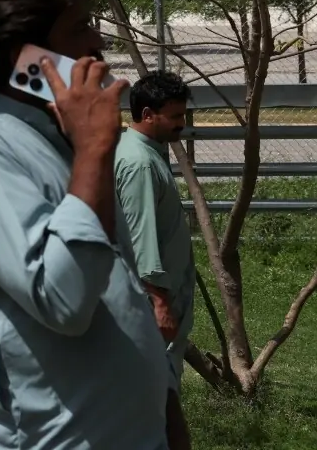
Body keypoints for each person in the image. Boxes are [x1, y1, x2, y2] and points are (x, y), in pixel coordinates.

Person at [0, 0, 184, 450]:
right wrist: (92, 152)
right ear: (27, 53)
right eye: (81, 26)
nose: (97, 44)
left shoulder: (57, 138)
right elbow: (63, 300)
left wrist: (164, 406)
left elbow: (117, 283)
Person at [115, 71, 197, 411]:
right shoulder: (140, 163)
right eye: (175, 116)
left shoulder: (147, 150)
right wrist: (160, 304)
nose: (182, 124)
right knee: (154, 401)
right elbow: (140, 237)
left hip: (157, 296)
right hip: (151, 304)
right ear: (148, 115)